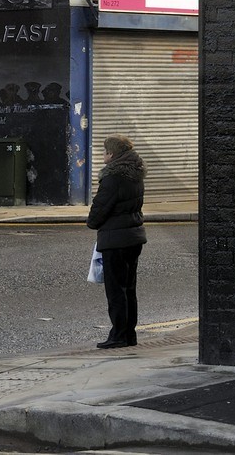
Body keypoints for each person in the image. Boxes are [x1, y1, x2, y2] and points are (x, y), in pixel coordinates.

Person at [86, 134, 147, 349]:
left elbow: (99, 210)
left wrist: (92, 222)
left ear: (112, 154)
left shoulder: (112, 178)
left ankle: (118, 335)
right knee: (129, 288)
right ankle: (129, 334)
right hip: (134, 238)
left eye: (104, 151)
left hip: (115, 239)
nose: (103, 155)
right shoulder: (136, 175)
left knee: (116, 290)